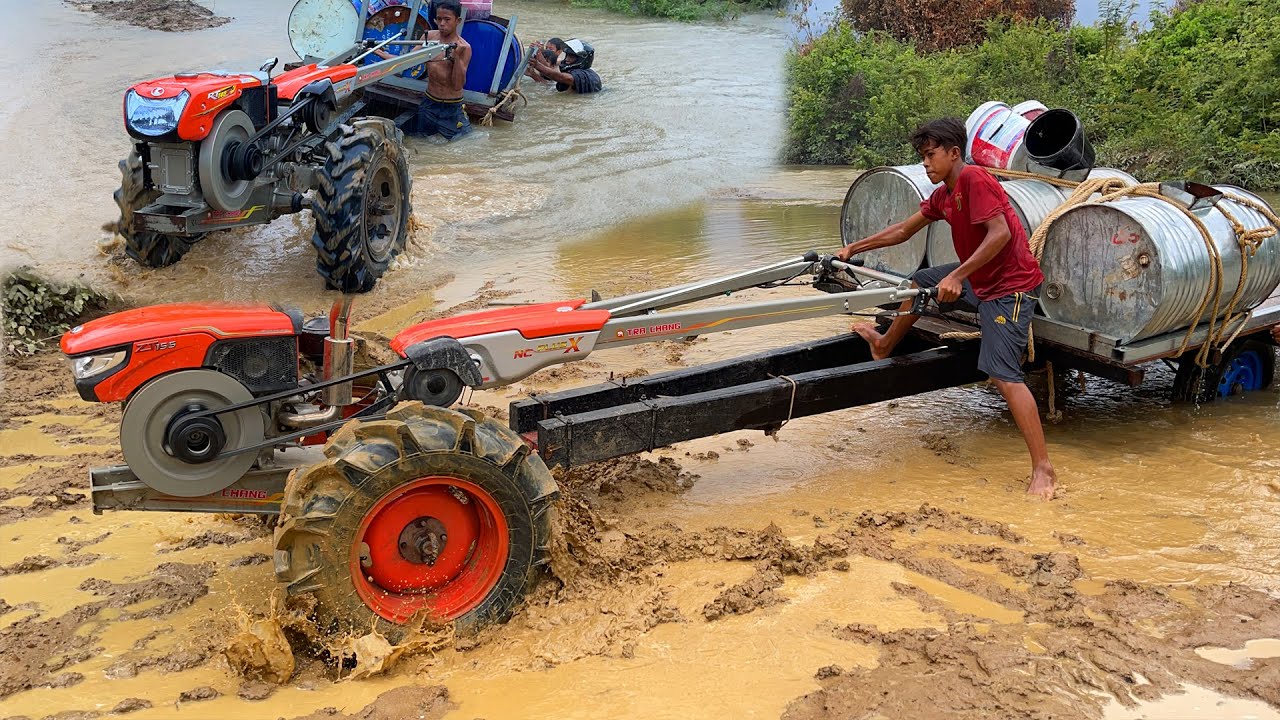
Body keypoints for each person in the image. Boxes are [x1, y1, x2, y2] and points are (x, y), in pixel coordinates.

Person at [835, 118, 1057, 501]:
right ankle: (885, 345)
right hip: (983, 280)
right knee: (921, 281)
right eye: (922, 157)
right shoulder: (944, 195)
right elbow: (903, 231)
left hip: (1011, 288)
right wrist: (855, 248)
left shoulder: (974, 180)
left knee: (1004, 375)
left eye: (930, 155)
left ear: (955, 153)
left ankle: (1043, 469)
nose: (925, 164)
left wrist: (957, 275)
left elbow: (1001, 233)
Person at [379, 0, 472, 140]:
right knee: (421, 141)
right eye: (439, 19)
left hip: (452, 108)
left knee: (462, 143)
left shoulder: (464, 47)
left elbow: (458, 84)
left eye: (447, 19)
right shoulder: (429, 37)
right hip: (429, 102)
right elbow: (408, 60)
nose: (442, 24)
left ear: (457, 20)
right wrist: (379, 53)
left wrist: (456, 58)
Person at [530, 38, 602, 94]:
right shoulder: (575, 71)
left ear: (581, 59)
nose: (567, 59)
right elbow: (551, 73)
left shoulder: (582, 75)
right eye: (567, 55)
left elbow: (561, 77)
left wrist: (538, 66)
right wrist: (539, 54)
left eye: (571, 57)